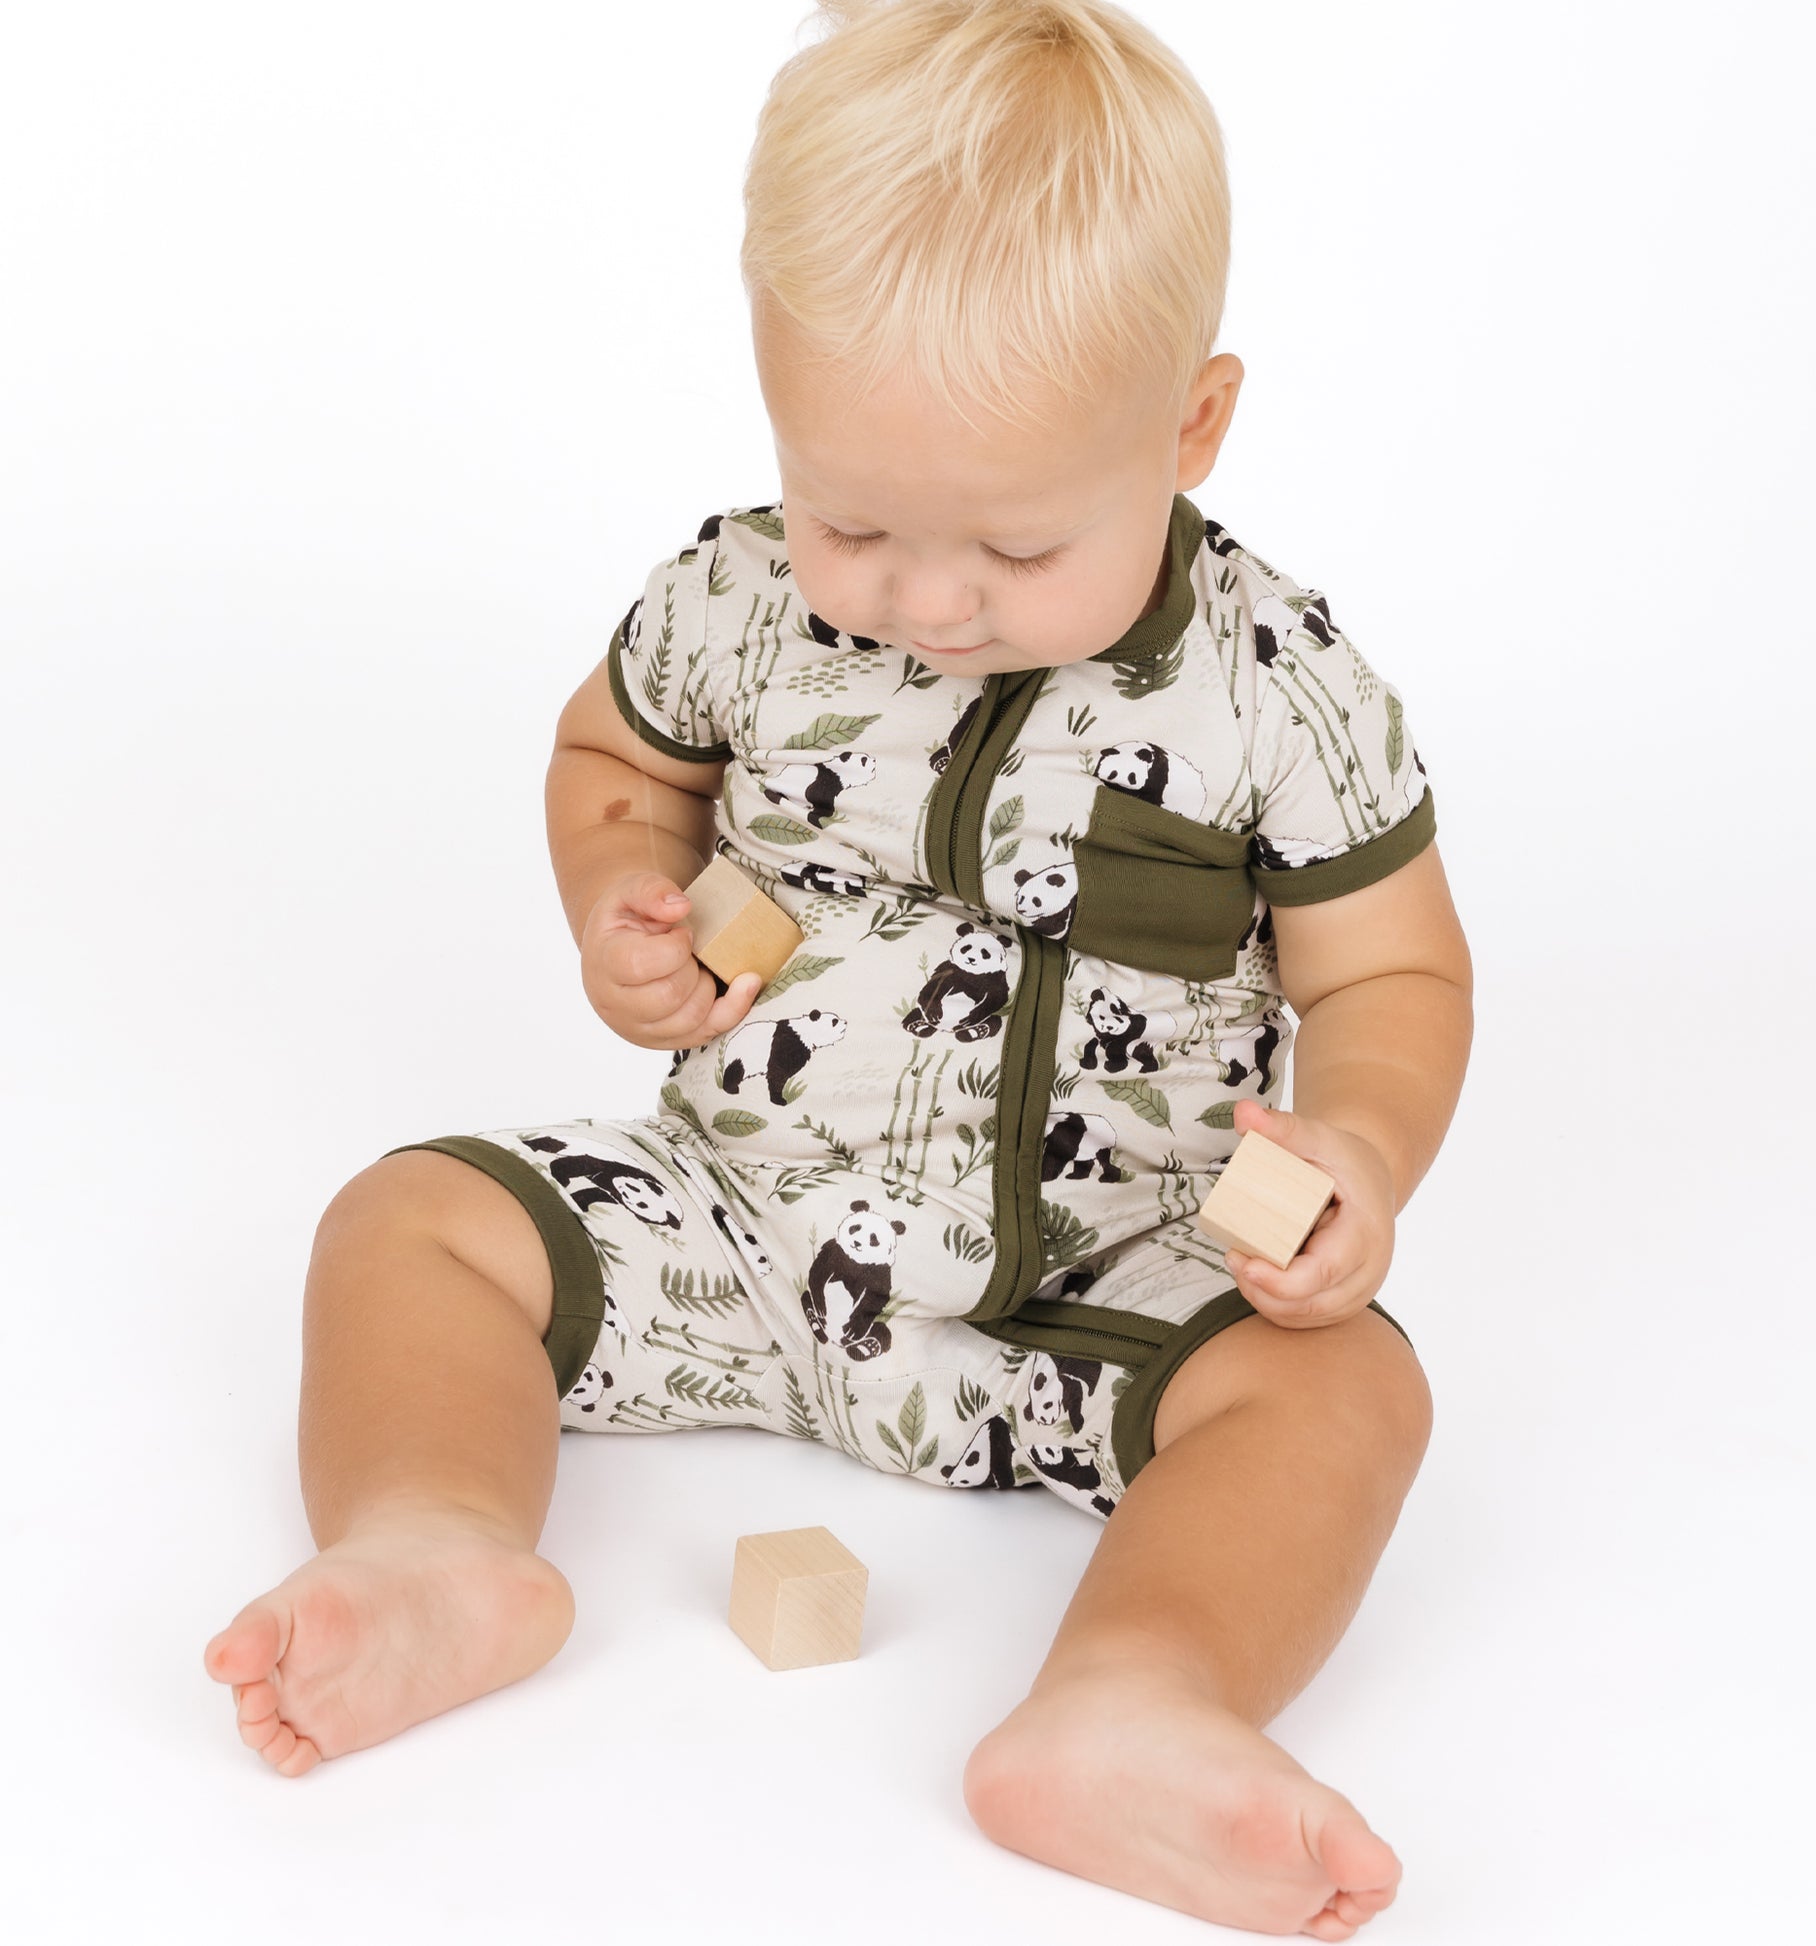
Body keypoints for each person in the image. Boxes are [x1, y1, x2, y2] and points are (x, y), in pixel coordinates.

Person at [204, 2, 1472, 1934]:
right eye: (854, 517)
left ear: (1191, 422)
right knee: (404, 1222)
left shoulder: (1269, 685)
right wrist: (617, 889)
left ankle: (1137, 1698)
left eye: (1021, 542)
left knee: (1350, 1395)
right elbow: (613, 759)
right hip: (746, 1214)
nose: (926, 597)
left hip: (1110, 1276)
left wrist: (1363, 1155)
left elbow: (1392, 978)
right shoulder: (732, 596)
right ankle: (440, 1539)